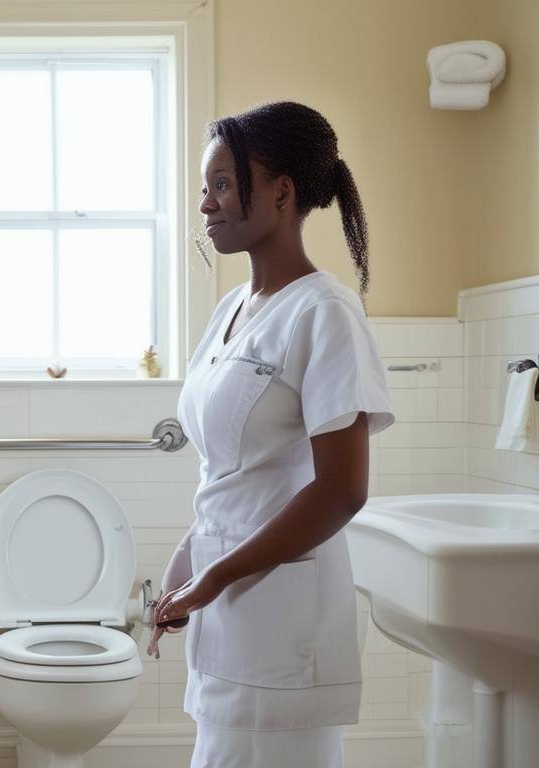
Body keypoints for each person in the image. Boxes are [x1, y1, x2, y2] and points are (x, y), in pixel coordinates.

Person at [149, 101, 395, 768]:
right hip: (230, 608)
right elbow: (232, 471)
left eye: (223, 184)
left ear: (281, 192)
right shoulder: (233, 310)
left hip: (280, 621)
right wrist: (186, 571)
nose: (206, 205)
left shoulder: (325, 313)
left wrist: (215, 577)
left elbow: (343, 491)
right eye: (206, 188)